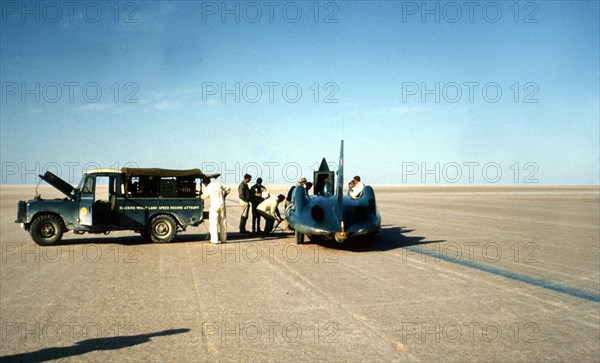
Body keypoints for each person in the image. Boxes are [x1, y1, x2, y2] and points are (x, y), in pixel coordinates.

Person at [201, 177, 230, 244]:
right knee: (223, 222)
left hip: (214, 206)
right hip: (222, 204)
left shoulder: (208, 187)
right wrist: (224, 196)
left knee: (214, 223)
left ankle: (214, 240)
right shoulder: (218, 183)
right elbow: (228, 188)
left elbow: (203, 197)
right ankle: (224, 239)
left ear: (205, 183)